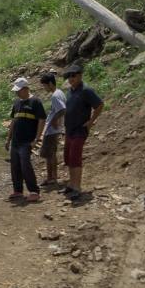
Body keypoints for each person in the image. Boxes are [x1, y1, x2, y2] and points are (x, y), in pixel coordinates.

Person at [62, 65, 104, 200]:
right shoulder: (70, 91)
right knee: (68, 158)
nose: (70, 78)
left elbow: (99, 105)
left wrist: (91, 121)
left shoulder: (86, 90)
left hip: (80, 130)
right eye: (69, 76)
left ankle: (77, 187)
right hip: (69, 129)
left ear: (80, 75)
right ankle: (71, 184)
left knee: (75, 158)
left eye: (73, 75)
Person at [5, 77, 46, 202]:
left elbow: (42, 120)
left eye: (19, 90)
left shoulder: (35, 102)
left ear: (26, 88)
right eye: (16, 91)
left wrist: (37, 138)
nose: (17, 93)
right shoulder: (17, 103)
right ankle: (18, 191)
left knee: (25, 166)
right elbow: (13, 121)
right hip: (15, 141)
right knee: (15, 166)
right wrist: (8, 139)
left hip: (27, 141)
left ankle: (34, 191)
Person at [39, 72, 66, 189]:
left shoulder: (55, 95)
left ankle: (52, 178)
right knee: (51, 154)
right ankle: (51, 177)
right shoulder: (60, 92)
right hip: (54, 129)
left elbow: (63, 109)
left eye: (44, 85)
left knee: (50, 154)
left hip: (52, 130)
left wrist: (54, 119)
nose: (44, 88)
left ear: (50, 84)